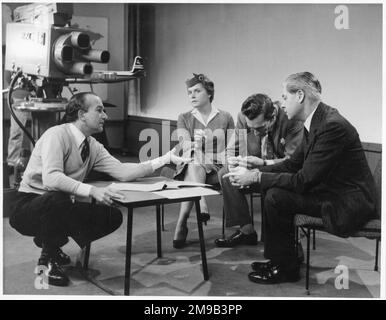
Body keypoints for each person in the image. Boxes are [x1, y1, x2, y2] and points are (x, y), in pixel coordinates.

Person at [9, 92, 190, 287]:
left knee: (112, 216)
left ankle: (50, 238)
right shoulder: (56, 134)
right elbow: (52, 178)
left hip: (58, 206)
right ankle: (48, 257)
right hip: (27, 207)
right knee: (58, 198)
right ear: (81, 115)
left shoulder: (92, 145)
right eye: (99, 110)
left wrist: (165, 159)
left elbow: (122, 172)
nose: (105, 116)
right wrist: (92, 191)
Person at [224, 72, 377, 284]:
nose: (282, 104)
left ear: (300, 95)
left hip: (347, 203)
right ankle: (280, 259)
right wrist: (259, 170)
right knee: (273, 191)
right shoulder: (317, 120)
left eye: (284, 97)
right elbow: (292, 164)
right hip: (333, 192)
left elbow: (304, 180)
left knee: (277, 197)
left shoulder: (331, 126)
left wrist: (256, 177)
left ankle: (286, 268)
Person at [214, 94, 303, 248]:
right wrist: (234, 163)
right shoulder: (244, 117)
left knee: (273, 190)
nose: (254, 133)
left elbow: (293, 162)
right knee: (226, 175)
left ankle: (283, 243)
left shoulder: (292, 120)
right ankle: (246, 231)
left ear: (272, 117)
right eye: (251, 129)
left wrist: (264, 163)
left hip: (282, 172)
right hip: (255, 165)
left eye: (259, 128)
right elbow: (230, 150)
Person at [173, 73, 235, 249]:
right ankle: (200, 199)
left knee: (196, 159)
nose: (192, 95)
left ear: (209, 93)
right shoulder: (184, 117)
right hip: (190, 163)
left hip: (216, 166)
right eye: (189, 92)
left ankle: (182, 222)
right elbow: (184, 144)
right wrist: (197, 145)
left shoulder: (225, 117)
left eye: (197, 91)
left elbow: (231, 148)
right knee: (193, 157)